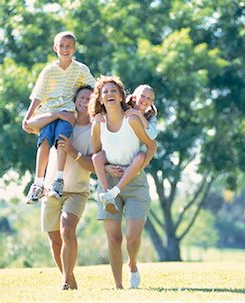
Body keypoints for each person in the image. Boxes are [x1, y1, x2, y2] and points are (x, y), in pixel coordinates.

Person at [89, 76, 157, 289]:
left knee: (132, 238)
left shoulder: (133, 119)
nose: (109, 94)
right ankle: (118, 287)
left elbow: (151, 146)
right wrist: (107, 167)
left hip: (135, 183)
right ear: (100, 98)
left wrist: (138, 166)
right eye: (105, 92)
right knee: (113, 239)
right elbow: (96, 153)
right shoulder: (98, 124)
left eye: (113, 91)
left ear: (121, 96)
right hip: (108, 183)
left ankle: (133, 264)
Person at [22, 31, 95, 204]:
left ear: (74, 48)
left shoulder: (80, 69)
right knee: (45, 141)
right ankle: (38, 183)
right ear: (55, 48)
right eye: (61, 46)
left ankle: (58, 180)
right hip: (48, 112)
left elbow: (95, 89)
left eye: (68, 46)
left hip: (68, 112)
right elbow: (38, 96)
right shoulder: (49, 71)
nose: (65, 49)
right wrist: (28, 116)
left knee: (62, 139)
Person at [40, 85, 95, 290]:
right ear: (75, 99)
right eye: (82, 97)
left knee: (67, 231)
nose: (85, 101)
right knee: (55, 240)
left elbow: (94, 166)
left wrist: (73, 152)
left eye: (90, 98)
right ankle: (69, 279)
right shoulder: (61, 123)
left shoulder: (94, 130)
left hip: (77, 191)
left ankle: (65, 281)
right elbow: (29, 126)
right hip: (50, 189)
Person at [92, 84, 157, 214]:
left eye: (149, 98)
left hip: (137, 158)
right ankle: (106, 193)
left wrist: (138, 114)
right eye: (142, 96)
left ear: (152, 103)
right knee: (97, 157)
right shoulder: (124, 110)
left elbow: (152, 136)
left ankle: (114, 192)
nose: (145, 99)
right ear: (133, 97)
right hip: (118, 153)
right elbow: (110, 114)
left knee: (139, 157)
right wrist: (96, 117)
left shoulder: (149, 116)